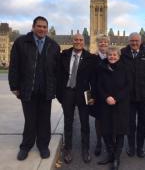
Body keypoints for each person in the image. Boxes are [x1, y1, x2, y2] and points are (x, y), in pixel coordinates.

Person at [8, 16, 60, 160]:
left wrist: (55, 88)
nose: (42, 29)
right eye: (39, 26)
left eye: (44, 27)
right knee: (30, 120)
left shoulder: (53, 45)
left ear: (47, 29)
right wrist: (14, 86)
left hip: (46, 90)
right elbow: (14, 66)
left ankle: (43, 146)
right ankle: (26, 146)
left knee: (44, 120)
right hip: (27, 89)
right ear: (33, 27)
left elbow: (57, 70)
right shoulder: (21, 42)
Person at [57, 33, 95, 164]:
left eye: (80, 40)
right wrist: (59, 94)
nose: (78, 42)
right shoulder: (64, 54)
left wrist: (91, 97)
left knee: (85, 123)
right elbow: (58, 75)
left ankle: (86, 149)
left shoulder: (90, 57)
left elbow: (93, 80)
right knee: (68, 122)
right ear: (72, 41)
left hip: (83, 93)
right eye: (76, 40)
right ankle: (68, 149)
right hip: (67, 92)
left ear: (84, 42)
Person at [96, 46, 130, 170]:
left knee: (120, 131)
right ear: (107, 55)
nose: (112, 57)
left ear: (118, 56)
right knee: (106, 131)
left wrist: (116, 98)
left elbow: (128, 86)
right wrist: (106, 97)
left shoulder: (125, 68)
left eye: (115, 55)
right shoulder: (101, 68)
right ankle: (110, 155)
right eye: (110, 55)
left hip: (120, 105)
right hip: (105, 104)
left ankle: (116, 158)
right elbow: (98, 86)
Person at [121, 32, 145, 157]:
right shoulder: (123, 53)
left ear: (140, 41)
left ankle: (140, 147)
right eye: (132, 41)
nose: (134, 43)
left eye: (136, 41)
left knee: (143, 122)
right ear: (129, 41)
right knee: (130, 123)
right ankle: (131, 146)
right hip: (128, 96)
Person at [89, 34, 110, 156]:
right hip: (97, 94)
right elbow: (88, 78)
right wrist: (90, 96)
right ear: (98, 44)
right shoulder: (92, 59)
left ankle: (109, 143)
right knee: (99, 120)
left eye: (105, 42)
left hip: (111, 95)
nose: (103, 44)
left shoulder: (114, 56)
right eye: (101, 42)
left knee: (111, 119)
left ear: (108, 44)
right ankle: (98, 142)